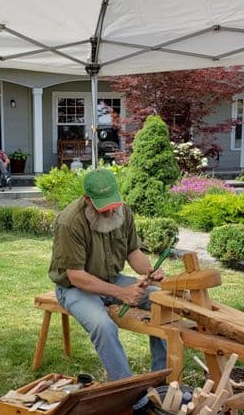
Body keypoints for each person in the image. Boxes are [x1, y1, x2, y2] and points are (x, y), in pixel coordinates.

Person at [49, 169, 167, 395]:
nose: (111, 211)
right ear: (87, 199)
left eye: (113, 204)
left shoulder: (123, 212)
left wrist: (150, 271)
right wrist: (122, 293)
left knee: (162, 301)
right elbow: (76, 276)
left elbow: (133, 252)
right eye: (103, 207)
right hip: (75, 288)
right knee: (103, 326)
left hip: (112, 278)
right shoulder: (70, 222)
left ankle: (161, 380)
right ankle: (126, 392)